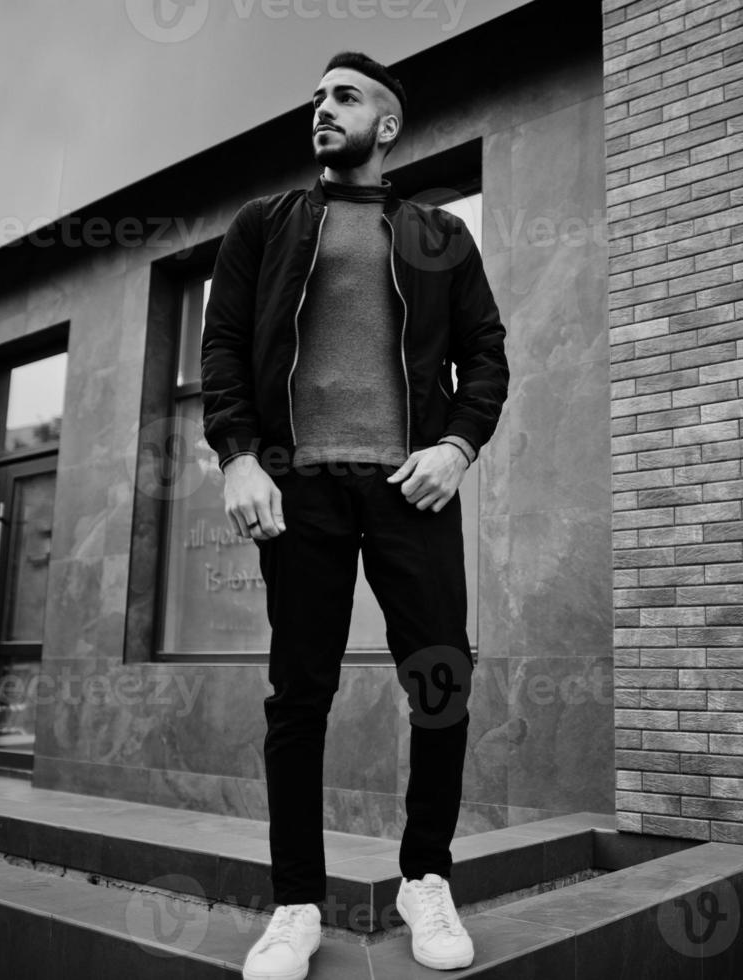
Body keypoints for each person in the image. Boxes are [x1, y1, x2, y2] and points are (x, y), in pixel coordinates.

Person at [200, 50, 509, 980]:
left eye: (345, 97)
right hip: (299, 492)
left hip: (408, 485)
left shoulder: (437, 236)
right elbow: (222, 347)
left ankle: (425, 878)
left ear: (389, 124)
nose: (323, 112)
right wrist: (240, 457)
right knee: (299, 693)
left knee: (439, 680)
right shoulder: (264, 225)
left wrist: (455, 449)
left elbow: (486, 358)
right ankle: (295, 903)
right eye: (316, 100)